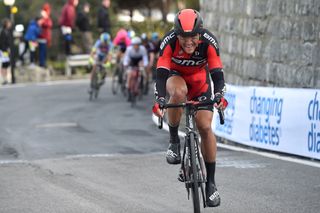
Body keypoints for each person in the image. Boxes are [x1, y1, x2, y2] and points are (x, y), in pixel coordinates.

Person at [152, 9, 228, 207]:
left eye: (193, 36)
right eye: (183, 37)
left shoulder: (209, 41)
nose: (188, 42)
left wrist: (219, 95)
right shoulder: (168, 41)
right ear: (176, 34)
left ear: (200, 33)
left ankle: (211, 183)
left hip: (200, 83)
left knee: (204, 126)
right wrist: (160, 99)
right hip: (176, 79)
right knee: (178, 93)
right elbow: (161, 74)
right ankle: (174, 141)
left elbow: (217, 74)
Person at [38, 3, 53, 67]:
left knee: (44, 51)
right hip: (42, 37)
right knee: (42, 51)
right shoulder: (43, 18)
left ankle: (43, 62)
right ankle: (42, 63)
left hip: (45, 37)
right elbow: (48, 24)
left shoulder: (46, 18)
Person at [0, 18, 12, 85]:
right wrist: (5, 49)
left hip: (6, 50)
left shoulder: (7, 31)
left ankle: (6, 78)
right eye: (9, 23)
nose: (10, 24)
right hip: (4, 50)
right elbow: (2, 42)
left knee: (7, 64)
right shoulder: (3, 31)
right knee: (4, 64)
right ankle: (4, 79)